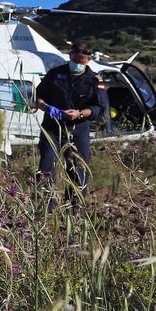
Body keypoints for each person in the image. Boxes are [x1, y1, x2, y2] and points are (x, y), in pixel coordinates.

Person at [34, 40, 107, 205]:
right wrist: (47, 107)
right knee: (47, 165)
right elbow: (38, 96)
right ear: (70, 57)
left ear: (88, 60)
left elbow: (99, 108)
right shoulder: (55, 74)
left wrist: (80, 114)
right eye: (74, 61)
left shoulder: (95, 80)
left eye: (80, 62)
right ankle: (47, 207)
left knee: (79, 169)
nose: (77, 65)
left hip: (77, 130)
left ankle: (74, 208)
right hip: (52, 127)